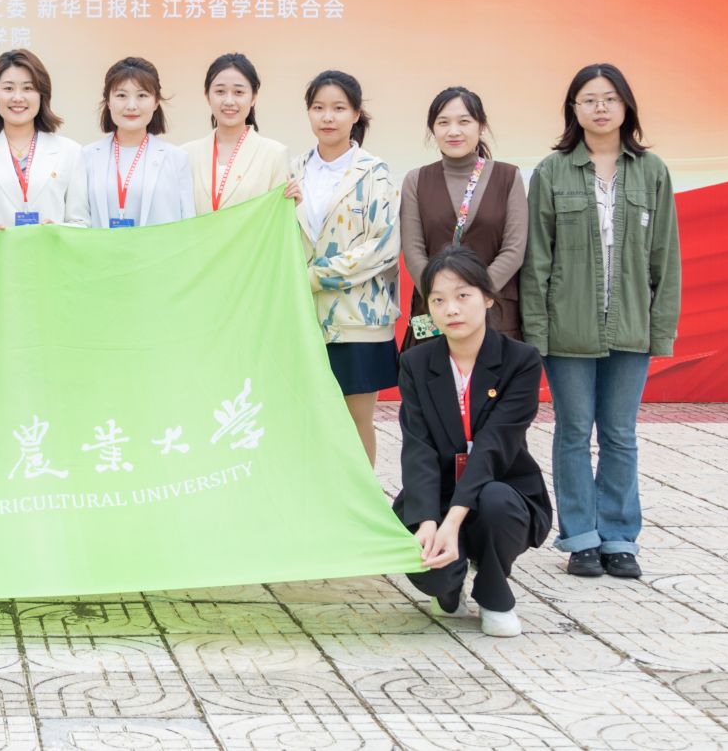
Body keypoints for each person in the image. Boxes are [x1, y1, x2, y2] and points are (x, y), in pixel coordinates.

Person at [522, 62, 682, 581]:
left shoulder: (652, 171)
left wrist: (660, 330)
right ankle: (581, 539)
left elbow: (665, 259)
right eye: (589, 99)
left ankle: (619, 537)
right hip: (567, 329)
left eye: (610, 98)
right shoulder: (552, 172)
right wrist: (536, 332)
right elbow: (536, 260)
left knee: (619, 434)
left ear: (626, 106)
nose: (600, 107)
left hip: (631, 326)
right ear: (573, 109)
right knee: (572, 431)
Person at [395, 246, 552, 638]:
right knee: (430, 567)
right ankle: (449, 589)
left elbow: (494, 446)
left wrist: (453, 522)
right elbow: (418, 448)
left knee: (496, 502)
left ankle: (494, 591)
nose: (451, 309)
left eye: (463, 296)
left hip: (501, 485)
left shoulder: (520, 361)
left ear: (487, 298)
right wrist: (429, 521)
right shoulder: (416, 364)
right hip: (438, 491)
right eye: (438, 300)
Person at [280, 70, 399, 465]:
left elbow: (382, 247)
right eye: (318, 108)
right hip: (302, 317)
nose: (327, 117)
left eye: (338, 108)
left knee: (355, 420)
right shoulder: (291, 170)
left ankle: (361, 498)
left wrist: (314, 277)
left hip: (357, 318)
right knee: (306, 419)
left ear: (356, 114)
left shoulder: (376, 172)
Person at [400, 86, 527, 345]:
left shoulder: (508, 177)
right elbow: (413, 252)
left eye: (464, 121)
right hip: (435, 315)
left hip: (495, 311)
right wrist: (441, 298)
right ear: (433, 129)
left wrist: (475, 297)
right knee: (434, 371)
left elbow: (514, 249)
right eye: (443, 122)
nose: (453, 131)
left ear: (481, 126)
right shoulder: (416, 180)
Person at [0, 48, 89, 232]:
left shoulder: (70, 151)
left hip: (50, 250)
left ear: (42, 95)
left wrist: (57, 230)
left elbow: (81, 223)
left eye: (28, 88)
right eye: (8, 88)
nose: (18, 98)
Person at [80, 56, 195, 229]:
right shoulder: (86, 156)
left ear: (156, 102)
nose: (131, 106)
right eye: (121, 95)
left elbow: (188, 224)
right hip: (101, 247)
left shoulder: (177, 158)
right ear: (108, 102)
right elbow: (79, 220)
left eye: (142, 95)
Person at [184, 52, 291, 216]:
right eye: (220, 91)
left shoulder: (275, 154)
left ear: (253, 97)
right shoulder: (186, 155)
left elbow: (278, 218)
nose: (229, 101)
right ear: (207, 96)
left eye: (239, 92)